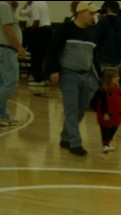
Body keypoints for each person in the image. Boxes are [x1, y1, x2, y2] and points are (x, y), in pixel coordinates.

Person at [46, 1, 99, 156]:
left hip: (86, 76)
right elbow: (52, 50)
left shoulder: (92, 32)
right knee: (71, 109)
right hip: (68, 75)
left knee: (81, 110)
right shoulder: (65, 29)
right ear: (81, 12)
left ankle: (65, 136)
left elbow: (93, 58)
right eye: (91, 13)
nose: (93, 16)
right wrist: (53, 70)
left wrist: (100, 78)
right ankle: (75, 143)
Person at [90, 66, 121, 153]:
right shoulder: (103, 90)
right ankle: (105, 144)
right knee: (105, 129)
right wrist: (104, 113)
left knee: (114, 128)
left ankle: (108, 142)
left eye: (118, 76)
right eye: (115, 77)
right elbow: (102, 102)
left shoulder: (119, 89)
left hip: (117, 115)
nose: (118, 78)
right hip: (106, 114)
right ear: (109, 78)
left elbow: (120, 101)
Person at [19, 1, 52, 87]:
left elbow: (37, 21)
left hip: (40, 31)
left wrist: (29, 31)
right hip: (48, 30)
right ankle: (45, 78)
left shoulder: (34, 5)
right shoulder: (44, 3)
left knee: (36, 56)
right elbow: (22, 13)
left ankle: (38, 79)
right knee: (43, 56)